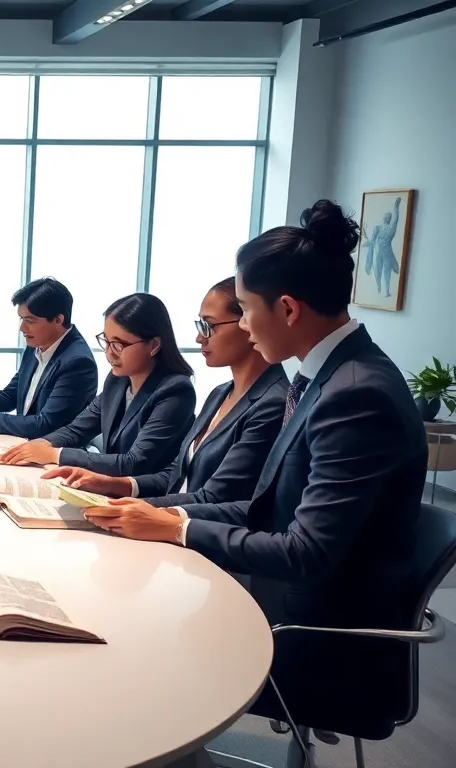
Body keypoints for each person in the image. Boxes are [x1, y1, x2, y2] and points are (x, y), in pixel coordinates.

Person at [85, 201, 427, 730]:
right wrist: (157, 515)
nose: (242, 324)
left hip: (315, 634)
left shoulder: (355, 394)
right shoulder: (326, 377)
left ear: (288, 309)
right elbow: (268, 504)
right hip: (279, 598)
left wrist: (178, 528)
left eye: (243, 308)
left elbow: (307, 552)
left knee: (126, 639)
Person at [44, 278, 287, 506]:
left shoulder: (270, 402)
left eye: (209, 326)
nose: (199, 337)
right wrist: (117, 485)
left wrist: (136, 507)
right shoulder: (219, 393)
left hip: (197, 535)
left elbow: (216, 498)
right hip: (173, 517)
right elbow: (177, 474)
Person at [0, 293, 195, 476]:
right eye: (106, 342)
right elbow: (77, 429)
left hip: (143, 501)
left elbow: (134, 462)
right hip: (104, 486)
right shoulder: (117, 380)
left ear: (153, 346)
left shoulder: (175, 391)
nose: (109, 353)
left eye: (119, 344)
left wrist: (54, 454)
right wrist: (41, 444)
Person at [0, 277, 96, 438]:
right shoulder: (37, 344)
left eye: (30, 320)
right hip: (22, 445)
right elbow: (10, 395)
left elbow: (46, 424)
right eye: (21, 319)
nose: (22, 328)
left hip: (51, 456)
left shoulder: (78, 362)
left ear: (58, 320)